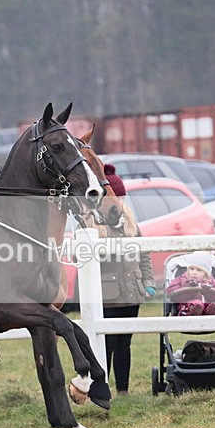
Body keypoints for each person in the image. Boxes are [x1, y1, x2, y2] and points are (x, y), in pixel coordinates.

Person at [86, 164, 156, 395]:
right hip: (108, 295)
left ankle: (123, 390)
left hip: (131, 291)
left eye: (121, 197)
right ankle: (102, 385)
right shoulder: (93, 225)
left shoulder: (131, 223)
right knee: (108, 344)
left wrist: (148, 282)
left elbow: (143, 254)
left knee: (125, 343)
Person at [165, 251, 215, 316]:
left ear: (206, 274)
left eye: (199, 270)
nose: (194, 272)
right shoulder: (181, 279)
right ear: (188, 270)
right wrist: (188, 288)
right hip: (187, 306)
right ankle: (194, 311)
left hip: (207, 306)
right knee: (197, 303)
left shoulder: (211, 282)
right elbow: (172, 292)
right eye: (192, 269)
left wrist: (208, 291)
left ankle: (213, 313)